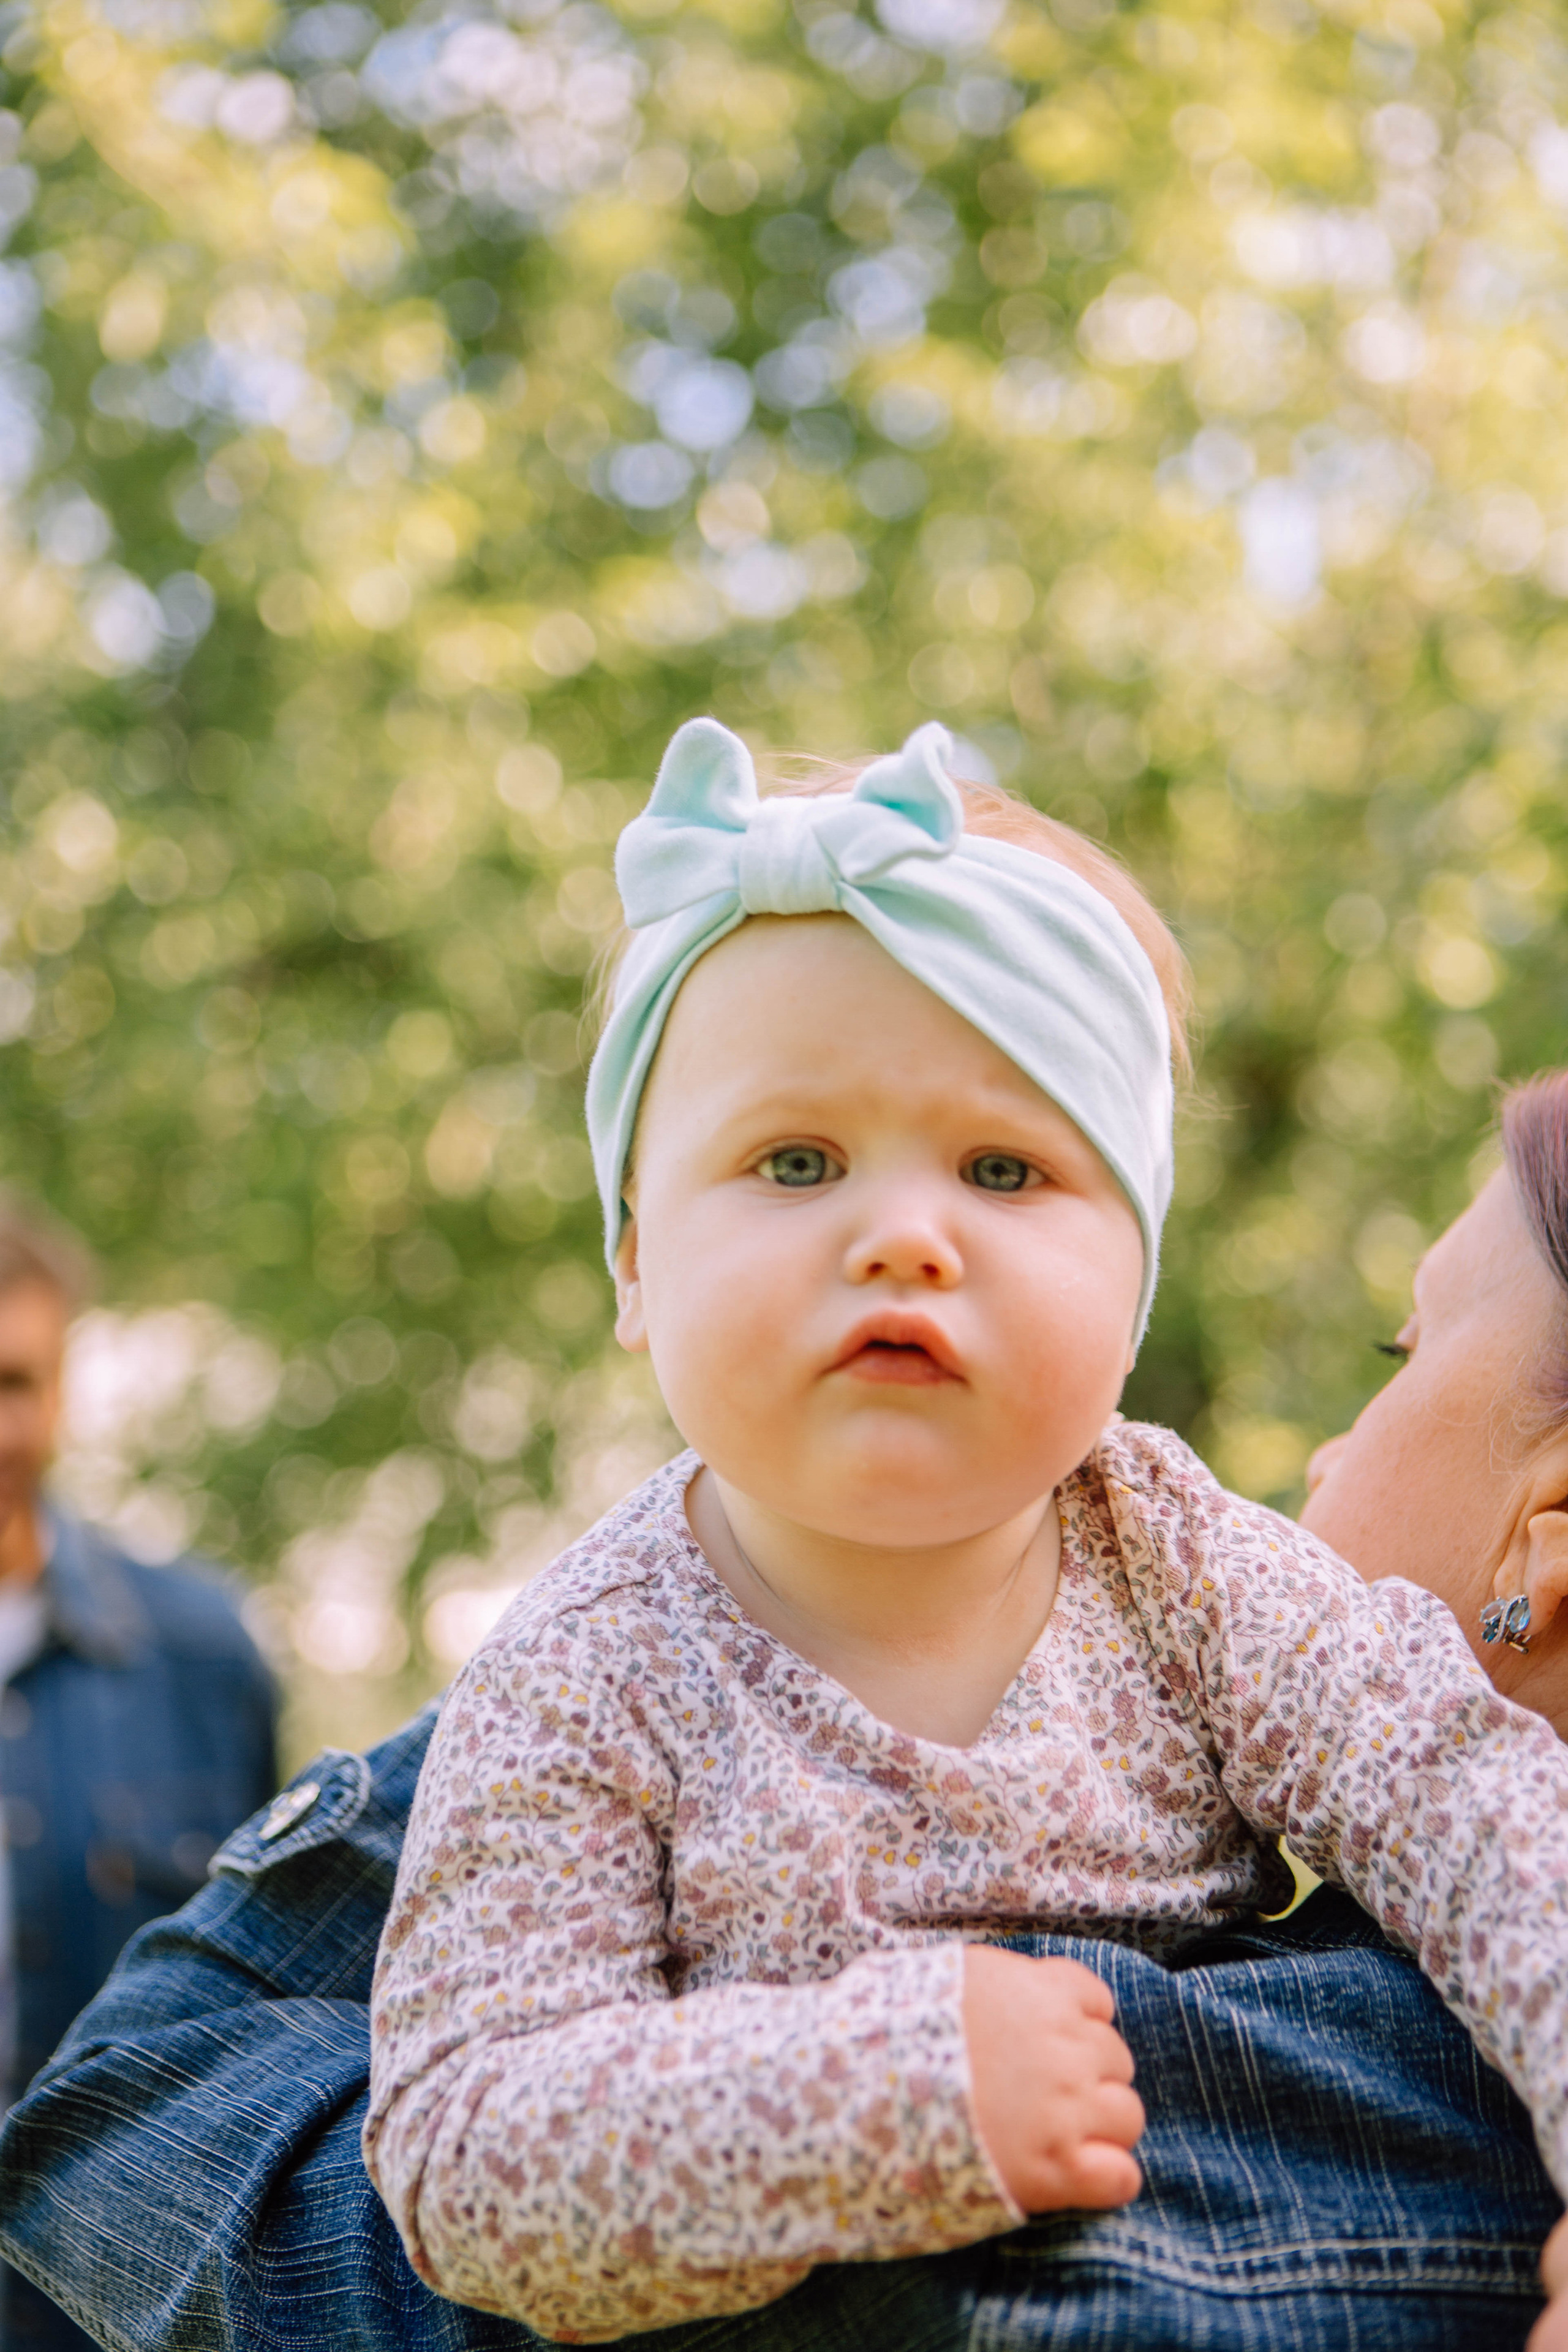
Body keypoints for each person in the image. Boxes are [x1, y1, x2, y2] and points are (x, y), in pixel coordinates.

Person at [1, 752, 1567, 2352]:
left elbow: (1483, 1811)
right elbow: (462, 2141)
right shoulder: (585, 1674)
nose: (902, 1233)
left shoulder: (1189, 1564)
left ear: (1138, 1281)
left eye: (1007, 1168)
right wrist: (875, 2097)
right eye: (796, 1162)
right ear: (632, 1260)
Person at [0, 1197, 278, 2352]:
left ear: (62, 1392)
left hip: (118, 2315)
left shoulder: (203, 1656)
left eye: (12, 1381)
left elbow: (274, 2007)